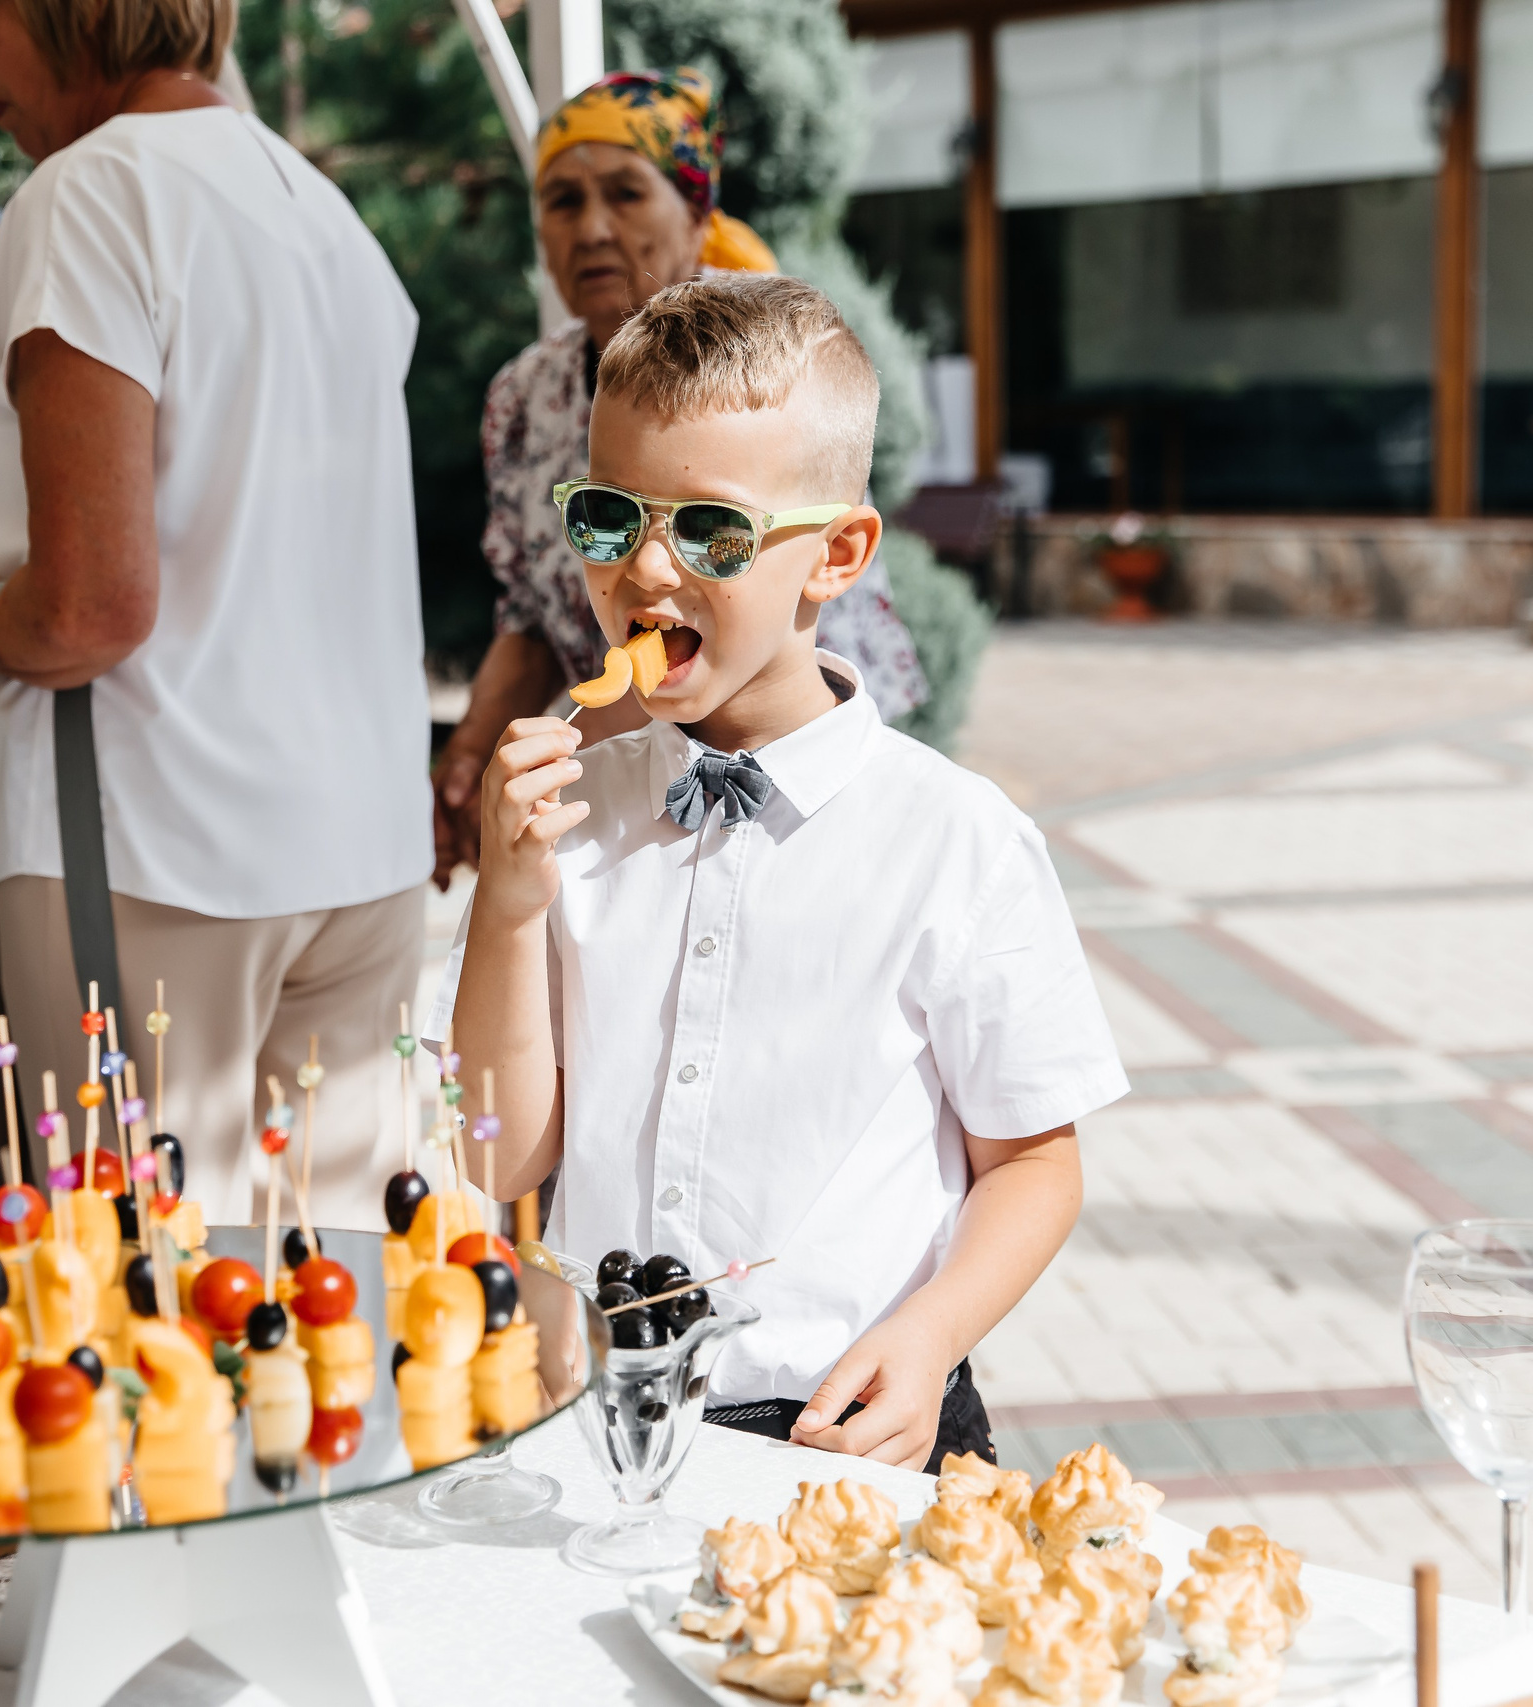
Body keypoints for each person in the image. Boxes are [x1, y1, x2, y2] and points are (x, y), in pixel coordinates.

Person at [439, 276, 1123, 1471]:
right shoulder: (571, 819)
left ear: (836, 554)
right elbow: (500, 1158)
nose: (645, 571)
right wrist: (504, 907)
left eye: (709, 530)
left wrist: (932, 1336)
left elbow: (1032, 1162)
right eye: (609, 517)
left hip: (849, 1431)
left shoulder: (954, 841)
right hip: (593, 1419)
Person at [0, 0, 430, 1227]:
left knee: (130, 1290)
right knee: (330, 1286)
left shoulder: (88, 192)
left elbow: (87, 611)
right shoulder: (325, 214)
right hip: (361, 849)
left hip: (154, 845)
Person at [433, 68, 928, 889]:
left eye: (626, 193)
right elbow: (529, 612)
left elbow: (739, 633)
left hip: (786, 776)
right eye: (562, 201)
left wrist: (593, 763)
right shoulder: (523, 397)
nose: (593, 227)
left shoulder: (771, 370)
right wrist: (470, 755)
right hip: (635, 769)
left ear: (698, 216)